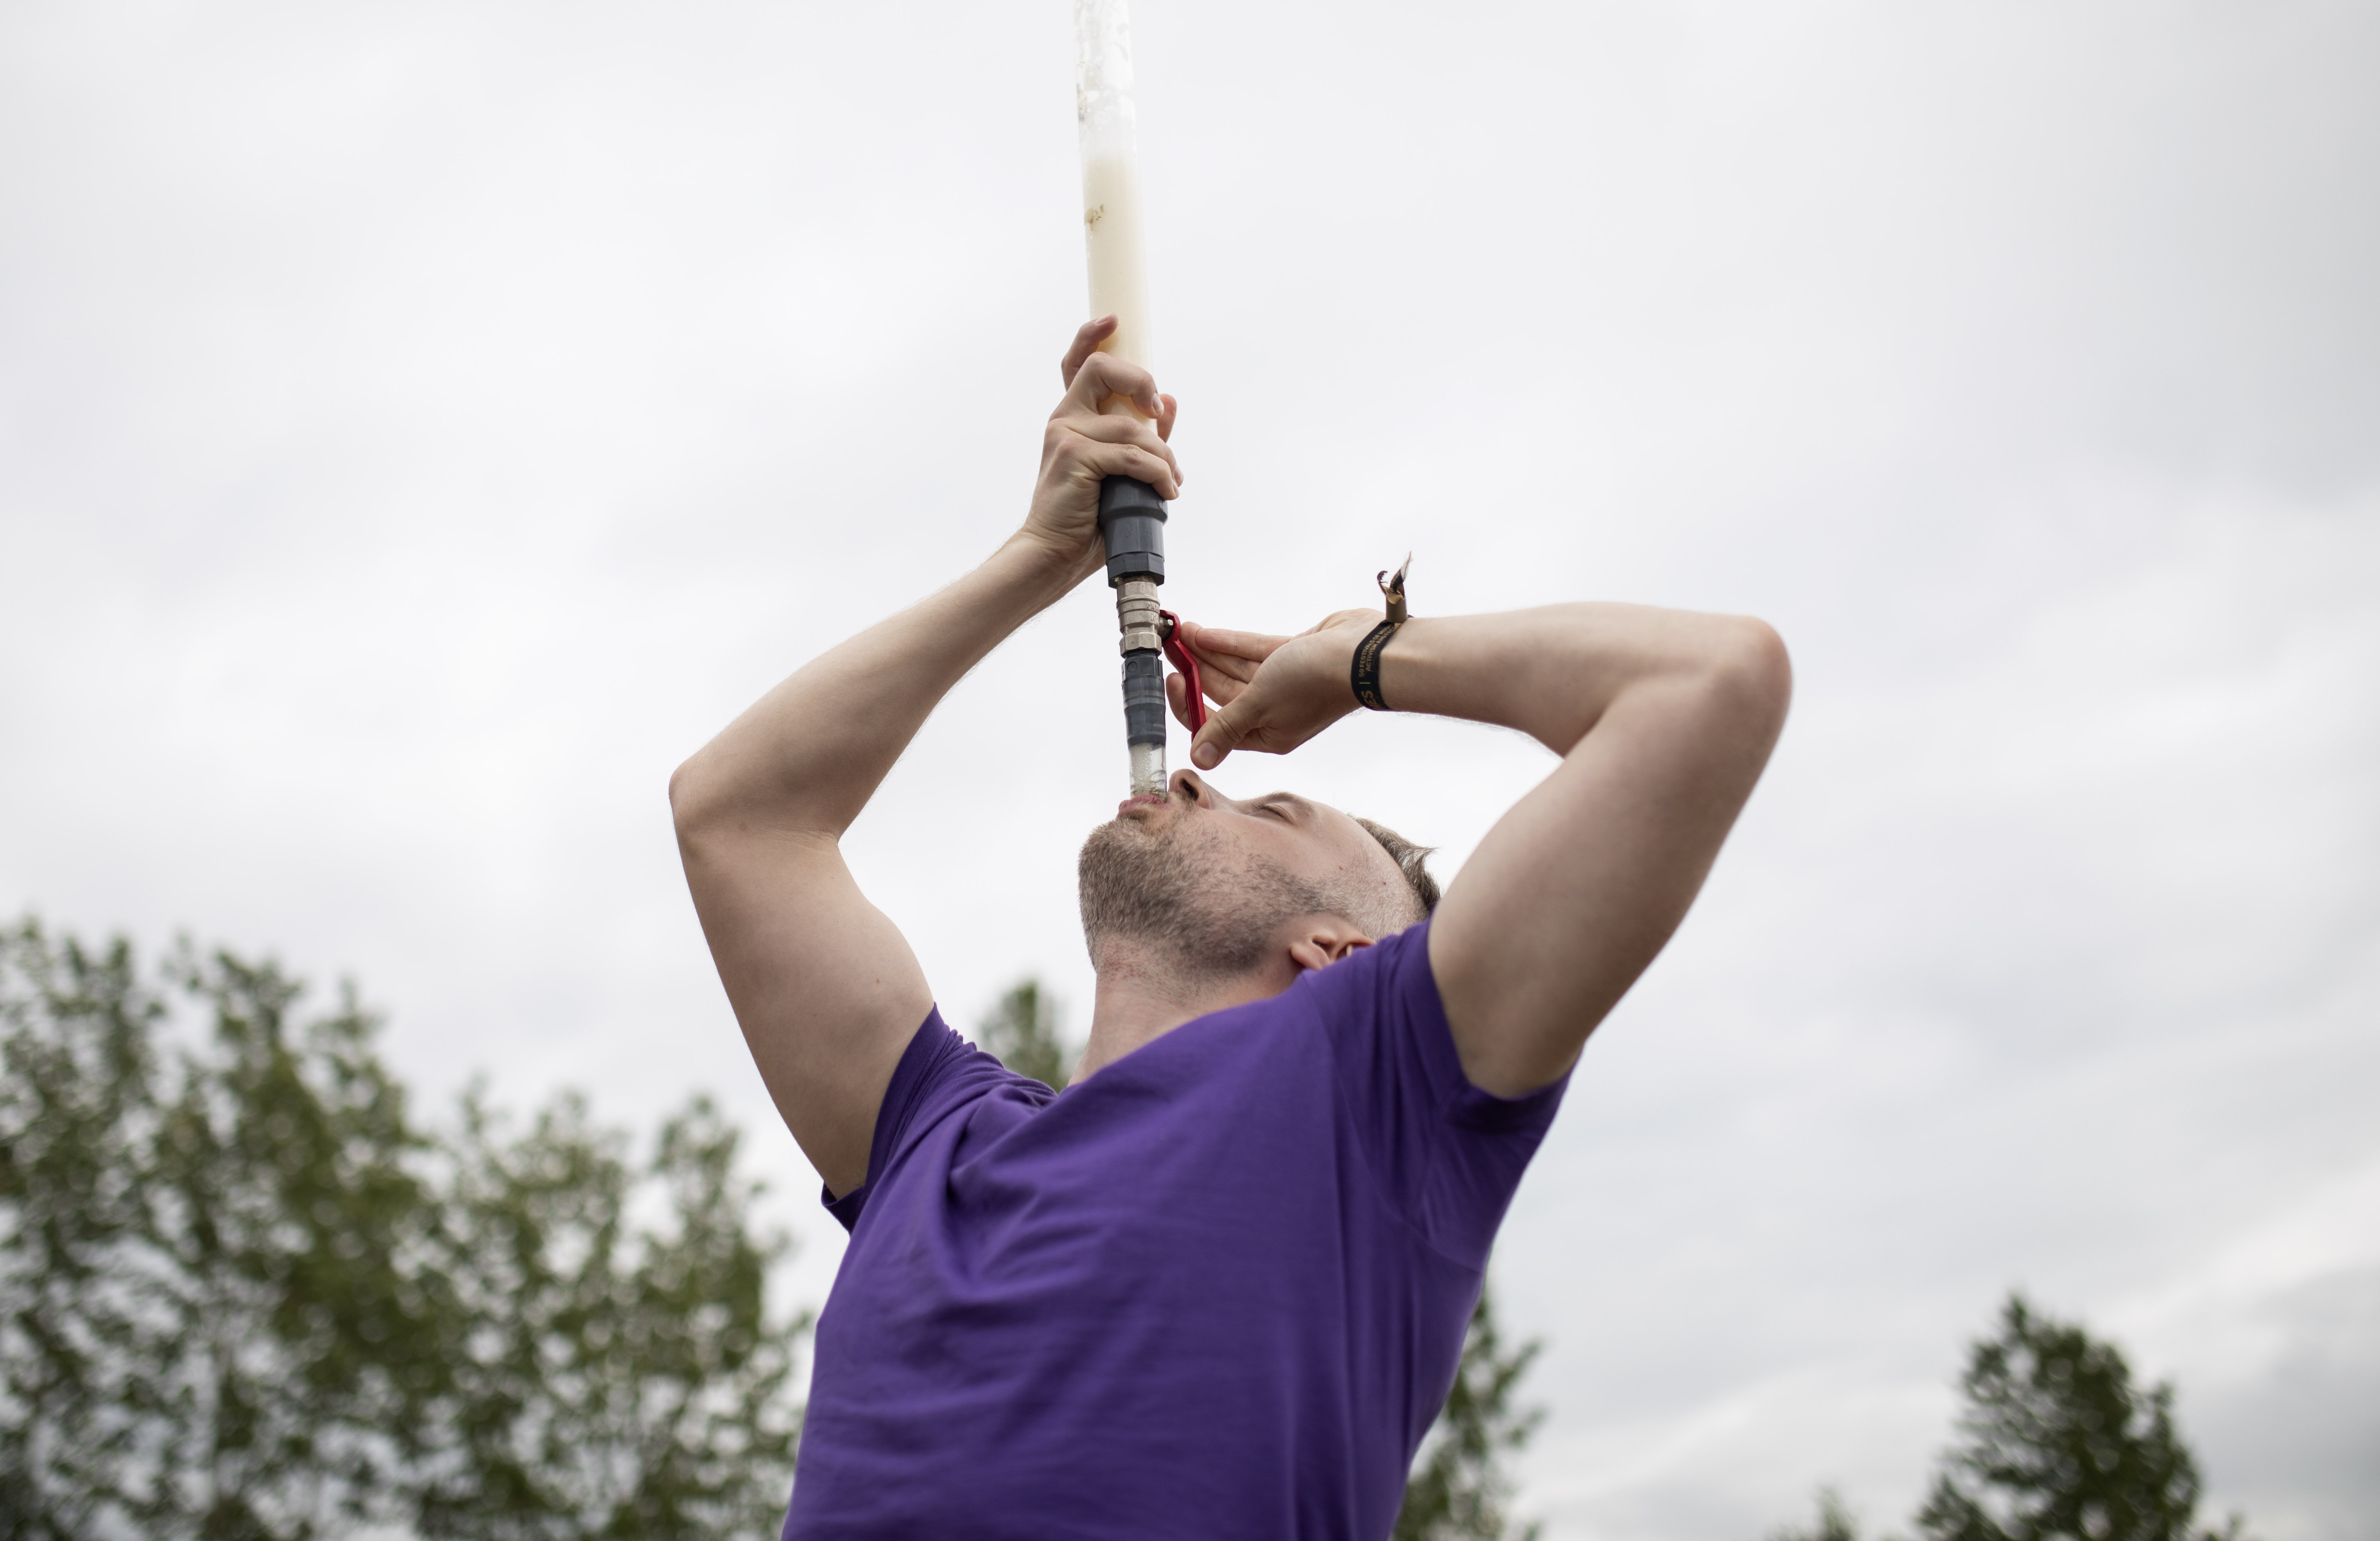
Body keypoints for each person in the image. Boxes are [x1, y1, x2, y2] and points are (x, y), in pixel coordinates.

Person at [669, 317, 1791, 1540]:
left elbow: (1709, 686)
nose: (1198, 779)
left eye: (1273, 805)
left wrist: (1354, 659)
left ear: (1341, 955)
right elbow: (736, 816)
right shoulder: (933, 1139)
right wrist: (1039, 557)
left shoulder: (1382, 1083)